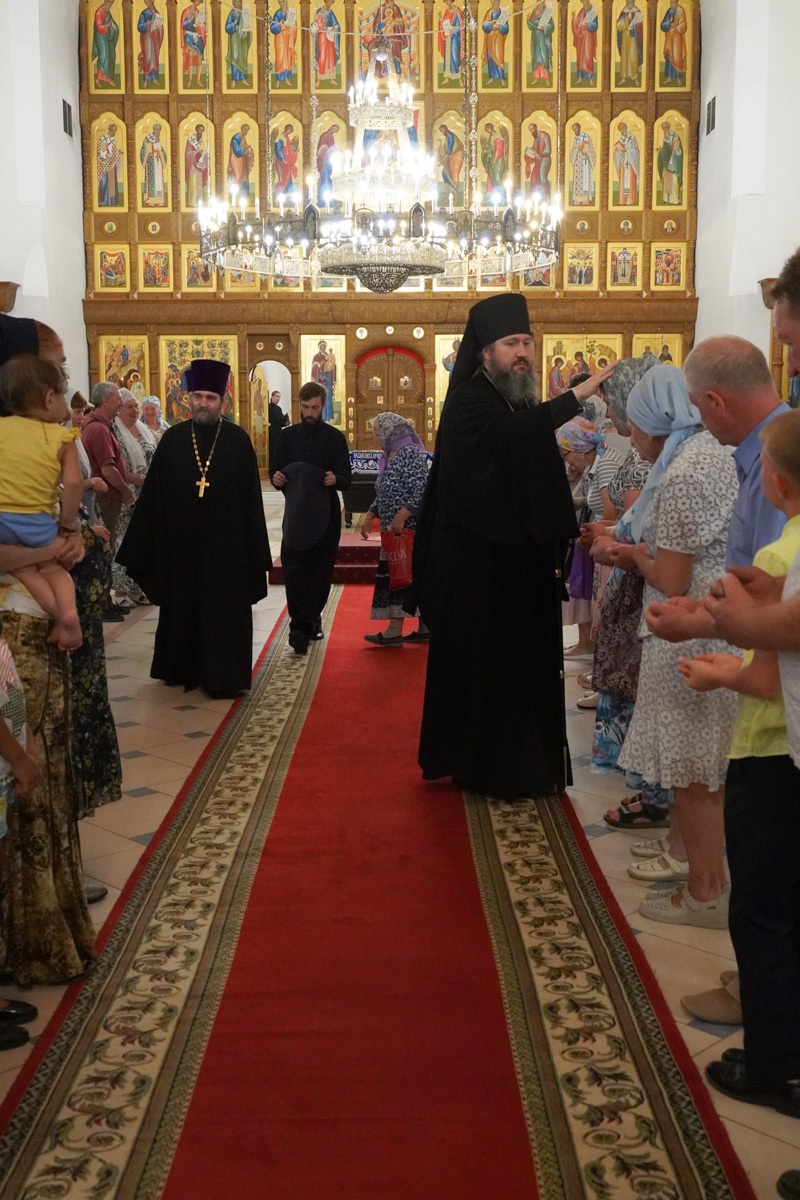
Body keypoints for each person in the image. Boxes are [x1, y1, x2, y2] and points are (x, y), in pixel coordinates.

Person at [413, 293, 610, 799]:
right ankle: (484, 766)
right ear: (485, 352)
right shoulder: (470, 401)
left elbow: (523, 453)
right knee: (487, 668)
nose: (522, 352)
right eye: (510, 344)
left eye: (526, 342)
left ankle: (522, 765)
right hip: (478, 568)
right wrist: (572, 398)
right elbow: (508, 439)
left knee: (516, 668)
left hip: (515, 562)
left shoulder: (515, 399)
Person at [679, 410, 800, 1113]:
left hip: (773, 751)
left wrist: (719, 663)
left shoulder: (787, 550)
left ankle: (774, 1065)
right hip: (786, 745)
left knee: (762, 913)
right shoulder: (784, 556)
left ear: (775, 485)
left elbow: (768, 669)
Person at [609, 366, 740, 929]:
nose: (630, 434)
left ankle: (705, 893)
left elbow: (671, 575)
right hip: (706, 622)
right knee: (699, 765)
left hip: (690, 628)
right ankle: (695, 865)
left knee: (694, 768)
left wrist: (630, 556)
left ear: (653, 421)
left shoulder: (686, 470)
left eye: (633, 422)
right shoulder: (704, 453)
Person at [0, 314, 96, 986]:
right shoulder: (50, 441)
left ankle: (52, 928)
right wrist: (56, 544)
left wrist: (70, 541)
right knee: (24, 782)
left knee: (47, 776)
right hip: (12, 641)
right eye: (57, 368)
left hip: (35, 630)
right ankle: (28, 942)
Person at [117, 359, 271, 698]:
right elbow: (155, 498)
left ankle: (226, 675)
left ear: (223, 402)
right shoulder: (172, 440)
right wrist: (151, 545)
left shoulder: (238, 441)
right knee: (182, 605)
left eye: (210, 398)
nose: (203, 403)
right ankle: (181, 668)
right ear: (188, 398)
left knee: (223, 612)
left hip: (226, 550)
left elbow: (251, 503)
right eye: (198, 396)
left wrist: (254, 551)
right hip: (182, 547)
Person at [0, 355, 84, 650]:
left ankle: (58, 615)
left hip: (2, 521)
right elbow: (73, 483)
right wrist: (69, 522)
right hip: (40, 523)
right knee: (52, 569)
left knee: (25, 570)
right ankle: (68, 612)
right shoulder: (62, 436)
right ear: (50, 398)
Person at [271, 381, 351, 655]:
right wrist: (277, 478)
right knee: (294, 569)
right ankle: (302, 624)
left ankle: (307, 623)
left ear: (323, 407)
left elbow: (346, 478)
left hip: (325, 514)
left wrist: (334, 478)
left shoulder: (335, 438)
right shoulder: (287, 437)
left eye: (314, 408)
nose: (309, 413)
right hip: (296, 513)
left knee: (319, 570)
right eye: (305, 407)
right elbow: (276, 472)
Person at [556, 417, 624, 658]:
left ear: (579, 449)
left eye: (565, 455)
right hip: (602, 535)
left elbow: (610, 513)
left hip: (608, 539)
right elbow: (595, 498)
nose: (567, 462)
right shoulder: (596, 463)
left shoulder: (605, 464)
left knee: (603, 604)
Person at [361, 413, 429, 646]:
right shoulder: (388, 455)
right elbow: (384, 491)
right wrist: (371, 513)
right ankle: (425, 628)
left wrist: (402, 515)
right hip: (392, 532)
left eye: (377, 432)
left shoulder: (410, 453)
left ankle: (394, 631)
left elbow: (422, 489)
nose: (375, 437)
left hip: (409, 530)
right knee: (403, 576)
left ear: (391, 430)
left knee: (403, 576)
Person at [112, 390, 156, 605]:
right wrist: (145, 480)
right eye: (129, 407)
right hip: (126, 494)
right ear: (119, 409)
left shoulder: (143, 429)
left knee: (142, 541)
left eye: (136, 406)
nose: (135, 410)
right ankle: (122, 590)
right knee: (123, 543)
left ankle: (138, 587)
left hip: (147, 494)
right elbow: (118, 469)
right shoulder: (114, 432)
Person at [527, 1, 554, 86]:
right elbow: (531, 26)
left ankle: (547, 79)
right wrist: (528, 20)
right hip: (535, 39)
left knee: (544, 58)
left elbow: (551, 26)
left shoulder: (547, 12)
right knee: (536, 58)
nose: (540, 4)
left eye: (541, 2)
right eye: (538, 2)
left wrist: (544, 27)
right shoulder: (534, 12)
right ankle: (536, 78)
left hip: (543, 39)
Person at [225, 0, 252, 87]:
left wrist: (247, 29)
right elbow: (227, 27)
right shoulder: (232, 13)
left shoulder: (245, 12)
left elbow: (248, 24)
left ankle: (243, 79)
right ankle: (233, 79)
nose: (238, 3)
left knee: (243, 56)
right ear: (233, 3)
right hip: (235, 36)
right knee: (235, 56)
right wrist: (234, 23)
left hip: (243, 37)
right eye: (236, 2)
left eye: (239, 1)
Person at [572, 0, 598, 82]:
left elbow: (595, 25)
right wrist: (574, 19)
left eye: (585, 3)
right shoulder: (582, 11)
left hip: (589, 37)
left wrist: (588, 26)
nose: (584, 5)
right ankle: (580, 77)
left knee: (588, 56)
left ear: (588, 2)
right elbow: (577, 23)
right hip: (581, 38)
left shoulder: (593, 12)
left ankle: (590, 78)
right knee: (580, 57)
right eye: (583, 4)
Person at [268, 389, 290, 473]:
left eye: (279, 397)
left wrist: (286, 422)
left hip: (278, 431)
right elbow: (275, 419)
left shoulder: (279, 408)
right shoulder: (268, 407)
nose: (278, 398)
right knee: (272, 449)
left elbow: (281, 422)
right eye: (276, 396)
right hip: (271, 431)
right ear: (272, 396)